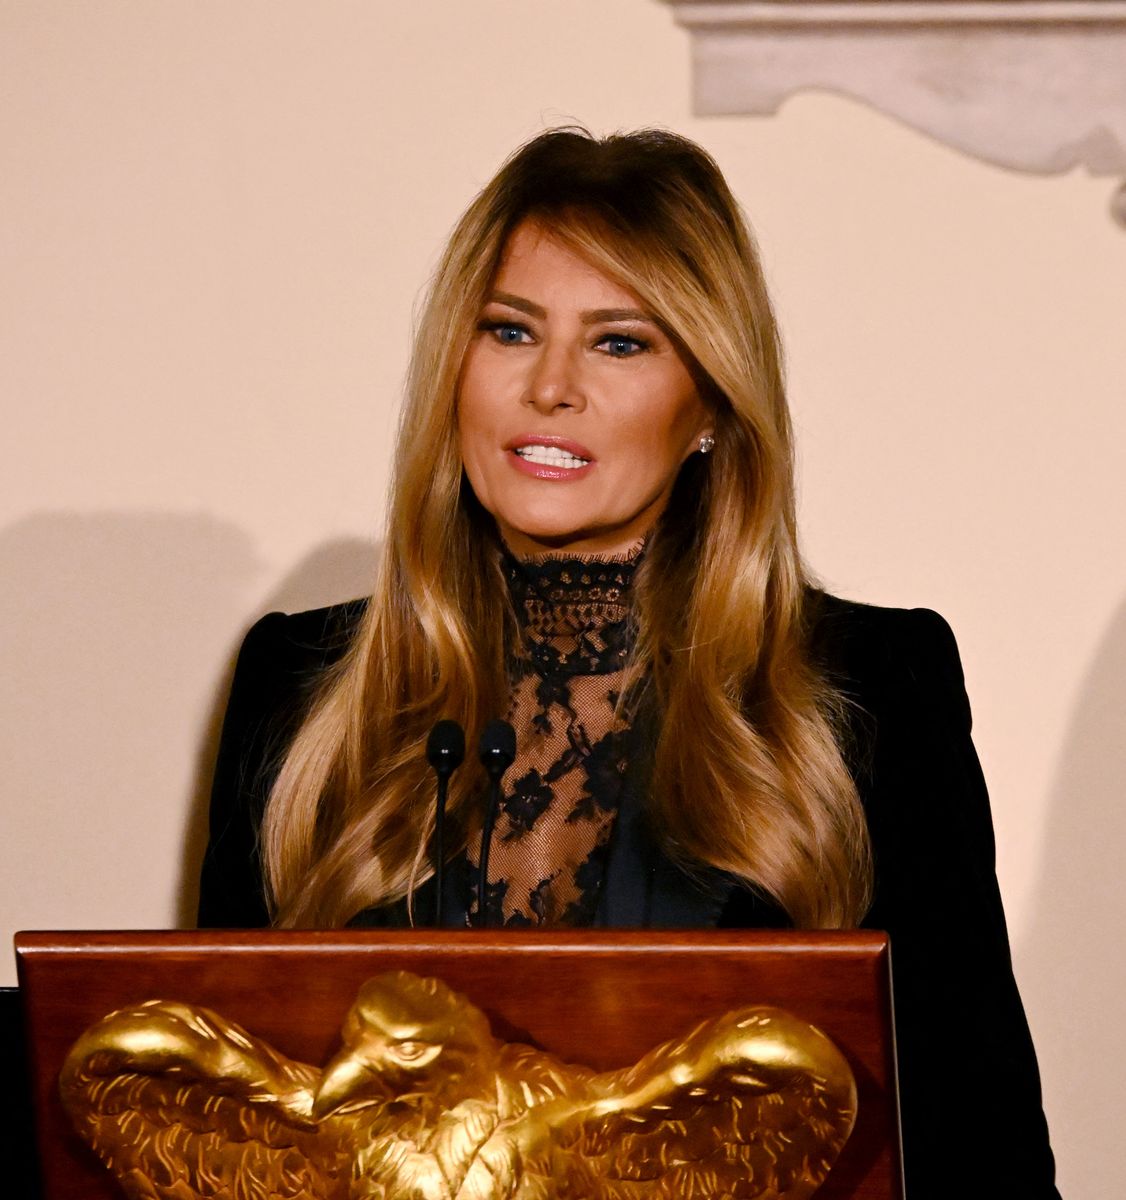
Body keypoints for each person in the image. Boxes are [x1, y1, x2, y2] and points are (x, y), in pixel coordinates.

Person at [198, 128, 1059, 1195]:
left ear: (709, 402)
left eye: (619, 344)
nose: (550, 387)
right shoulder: (297, 688)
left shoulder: (870, 685)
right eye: (509, 331)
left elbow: (982, 1149)